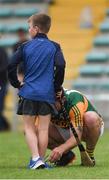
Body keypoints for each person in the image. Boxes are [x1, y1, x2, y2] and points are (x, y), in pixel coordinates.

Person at [8, 13, 66, 169]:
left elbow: (11, 65)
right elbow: (61, 66)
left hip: (29, 93)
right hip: (47, 94)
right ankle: (41, 160)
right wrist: (56, 87)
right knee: (43, 129)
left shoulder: (25, 46)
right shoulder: (55, 46)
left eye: (29, 27)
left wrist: (17, 84)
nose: (28, 30)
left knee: (28, 127)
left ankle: (35, 159)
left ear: (36, 28)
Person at [47, 89, 104, 166]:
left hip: (86, 128)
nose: (51, 105)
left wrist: (61, 148)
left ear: (63, 100)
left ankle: (89, 154)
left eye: (54, 102)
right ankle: (66, 155)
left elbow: (77, 136)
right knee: (35, 129)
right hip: (64, 128)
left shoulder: (74, 100)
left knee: (91, 118)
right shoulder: (44, 103)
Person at [0, 47, 10, 131]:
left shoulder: (2, 51)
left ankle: (3, 126)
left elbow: (5, 66)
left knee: (0, 106)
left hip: (1, 83)